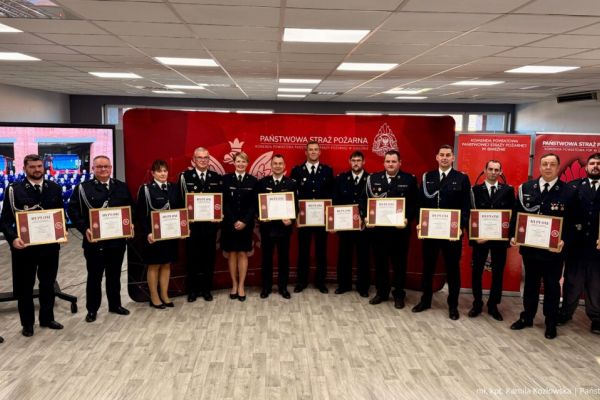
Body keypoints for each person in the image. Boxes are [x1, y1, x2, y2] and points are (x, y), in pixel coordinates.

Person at [509, 153, 578, 340]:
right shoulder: (526, 188)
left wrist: (564, 241)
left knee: (552, 286)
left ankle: (550, 322)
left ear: (558, 167)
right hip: (530, 249)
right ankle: (527, 317)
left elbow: (574, 223)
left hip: (553, 251)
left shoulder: (569, 191)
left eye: (552, 164)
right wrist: (513, 235)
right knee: (530, 284)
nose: (548, 167)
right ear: (539, 167)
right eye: (545, 164)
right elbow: (516, 214)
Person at [0, 154, 64, 337]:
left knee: (48, 284)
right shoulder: (14, 190)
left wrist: (62, 231)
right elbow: (5, 220)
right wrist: (13, 238)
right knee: (25, 287)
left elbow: (59, 214)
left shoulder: (54, 188)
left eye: (39, 166)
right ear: (24, 168)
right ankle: (27, 324)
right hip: (24, 248)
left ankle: (47, 318)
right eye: (32, 167)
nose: (37, 170)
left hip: (49, 247)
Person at [68, 155, 133, 323]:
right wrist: (85, 229)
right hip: (94, 242)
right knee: (94, 277)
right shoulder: (83, 188)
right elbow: (73, 211)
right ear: (93, 169)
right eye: (99, 167)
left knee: (114, 275)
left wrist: (130, 224)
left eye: (106, 166)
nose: (103, 169)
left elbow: (130, 208)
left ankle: (115, 305)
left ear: (111, 168)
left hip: (117, 241)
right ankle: (92, 309)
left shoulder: (121, 187)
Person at [413, 145, 471, 320]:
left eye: (448, 155)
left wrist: (461, 225)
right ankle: (425, 300)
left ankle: (453, 305)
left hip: (451, 232)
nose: (445, 158)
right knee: (428, 266)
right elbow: (420, 202)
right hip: (430, 231)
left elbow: (466, 205)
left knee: (452, 269)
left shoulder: (461, 178)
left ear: (453, 158)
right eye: (442, 155)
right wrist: (420, 223)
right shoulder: (428, 177)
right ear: (437, 157)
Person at [365, 150, 418, 308]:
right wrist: (365, 217)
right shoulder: (373, 179)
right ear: (384, 163)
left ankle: (399, 294)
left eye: (394, 161)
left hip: (399, 231)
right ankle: (382, 292)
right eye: (388, 161)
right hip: (379, 231)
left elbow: (415, 204)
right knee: (380, 263)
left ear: (400, 163)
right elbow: (364, 200)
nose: (390, 164)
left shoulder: (409, 179)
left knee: (399, 265)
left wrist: (407, 219)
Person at [558, 153, 600, 334]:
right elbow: (565, 216)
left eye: (599, 164)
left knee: (596, 285)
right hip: (576, 245)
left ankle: (597, 318)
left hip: (598, 247)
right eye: (592, 163)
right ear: (586, 167)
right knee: (572, 282)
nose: (595, 166)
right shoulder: (573, 187)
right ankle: (565, 313)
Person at [468, 160, 515, 321]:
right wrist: (474, 237)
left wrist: (509, 235)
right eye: (490, 169)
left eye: (496, 170)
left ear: (501, 172)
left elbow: (512, 214)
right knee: (476, 271)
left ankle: (493, 305)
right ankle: (477, 303)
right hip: (480, 239)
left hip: (499, 240)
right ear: (485, 170)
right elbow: (470, 214)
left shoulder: (508, 190)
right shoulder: (474, 190)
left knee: (498, 273)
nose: (493, 172)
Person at [136, 159, 182, 309]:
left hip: (170, 233)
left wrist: (182, 228)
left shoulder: (174, 188)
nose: (163, 174)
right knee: (154, 265)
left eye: (165, 171)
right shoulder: (146, 189)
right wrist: (148, 232)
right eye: (159, 171)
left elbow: (180, 210)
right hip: (154, 236)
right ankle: (154, 297)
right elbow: (141, 214)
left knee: (166, 264)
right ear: (153, 173)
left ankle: (164, 294)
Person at [178, 147, 222, 302]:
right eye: (199, 157)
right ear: (193, 160)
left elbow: (219, 201)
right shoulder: (185, 177)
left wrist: (219, 214)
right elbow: (180, 201)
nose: (203, 160)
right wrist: (184, 224)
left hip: (210, 227)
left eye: (205, 158)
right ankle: (193, 290)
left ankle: (206, 290)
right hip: (192, 227)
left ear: (209, 160)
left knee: (209, 259)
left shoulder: (215, 177)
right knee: (192, 259)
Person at [291, 141, 334, 293]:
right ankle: (301, 281)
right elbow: (292, 195)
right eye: (311, 149)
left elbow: (331, 194)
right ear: (306, 152)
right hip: (304, 219)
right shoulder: (297, 171)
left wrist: (330, 217)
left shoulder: (327, 171)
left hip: (322, 218)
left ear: (320, 152)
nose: (313, 152)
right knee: (303, 251)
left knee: (321, 251)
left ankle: (320, 282)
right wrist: (295, 214)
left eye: (316, 149)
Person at [257, 154, 296, 299]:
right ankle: (266, 287)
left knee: (283, 259)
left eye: (280, 163)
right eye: (275, 163)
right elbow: (257, 204)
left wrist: (291, 219)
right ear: (271, 165)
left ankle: (283, 287)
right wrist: (260, 216)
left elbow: (296, 205)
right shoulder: (262, 183)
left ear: (284, 166)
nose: (278, 166)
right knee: (266, 259)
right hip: (267, 229)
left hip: (284, 229)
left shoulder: (291, 183)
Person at [333, 151, 371, 297]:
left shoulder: (371, 179)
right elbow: (335, 201)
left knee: (364, 257)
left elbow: (373, 202)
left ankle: (363, 287)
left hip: (364, 226)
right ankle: (344, 285)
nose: (356, 163)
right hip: (345, 226)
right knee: (344, 256)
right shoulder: (341, 179)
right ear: (349, 162)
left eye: (358, 160)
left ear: (363, 162)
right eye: (353, 160)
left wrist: (365, 218)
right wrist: (334, 221)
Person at [221, 152, 258, 301]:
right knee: (232, 254)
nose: (241, 164)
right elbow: (223, 202)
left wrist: (244, 221)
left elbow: (254, 204)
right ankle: (234, 285)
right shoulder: (226, 179)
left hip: (246, 225)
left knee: (243, 254)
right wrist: (233, 220)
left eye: (243, 161)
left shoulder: (253, 181)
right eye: (238, 161)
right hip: (229, 224)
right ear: (234, 163)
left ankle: (241, 286)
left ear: (247, 163)